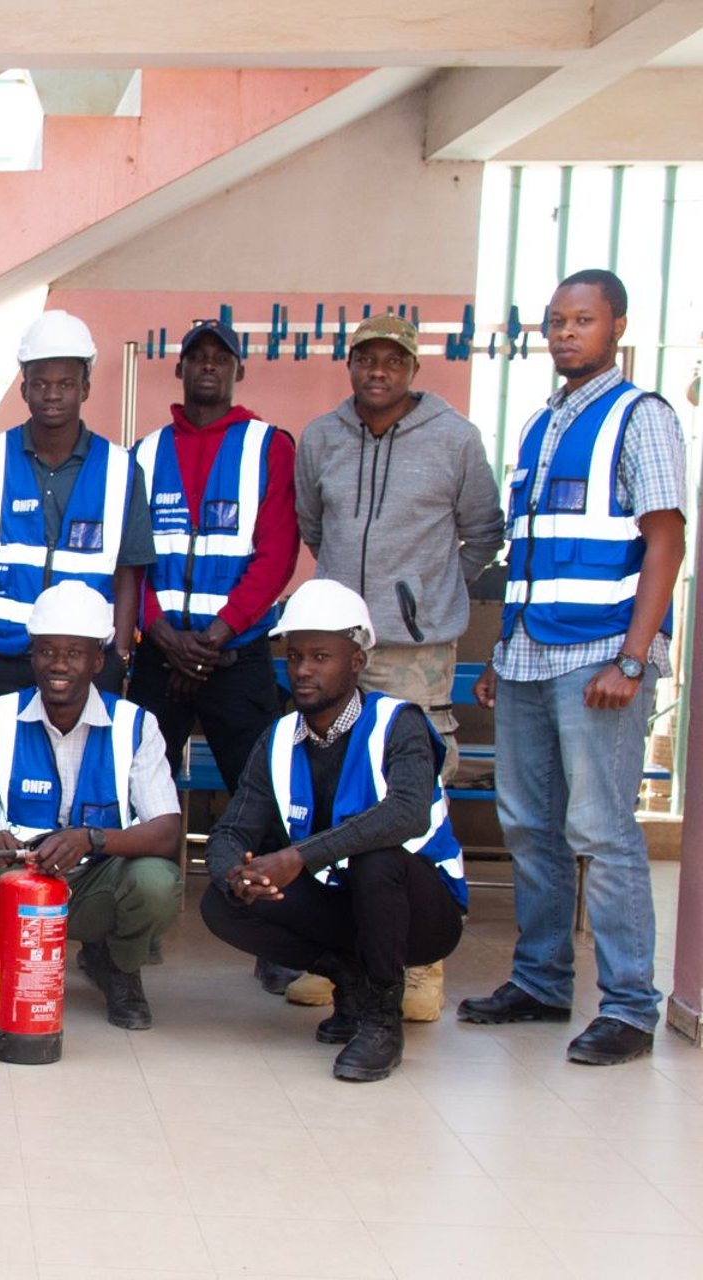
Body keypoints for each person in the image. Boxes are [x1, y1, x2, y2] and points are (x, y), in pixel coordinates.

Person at [458, 269, 687, 1067]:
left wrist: (632, 658)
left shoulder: (640, 417)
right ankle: (542, 981)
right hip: (527, 656)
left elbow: (666, 541)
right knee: (527, 826)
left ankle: (628, 1006)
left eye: (581, 321)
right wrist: (501, 653)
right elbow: (528, 556)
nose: (564, 334)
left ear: (616, 327)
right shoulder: (539, 425)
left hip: (598, 660)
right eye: (555, 321)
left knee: (601, 830)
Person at [289, 312, 503, 1019]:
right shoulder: (321, 438)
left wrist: (429, 594)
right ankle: (336, 951)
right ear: (350, 364)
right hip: (338, 644)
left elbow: (483, 533)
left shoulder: (456, 440)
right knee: (331, 789)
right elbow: (314, 527)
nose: (378, 371)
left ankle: (420, 963)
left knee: (415, 798)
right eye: (366, 358)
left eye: (394, 360)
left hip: (416, 652)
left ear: (413, 369)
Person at [200, 580, 467, 1082]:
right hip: (346, 903)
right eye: (295, 656)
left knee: (377, 859)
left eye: (321, 656)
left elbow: (405, 813)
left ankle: (383, 1021)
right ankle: (352, 983)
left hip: (421, 912)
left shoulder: (397, 722)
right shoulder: (279, 737)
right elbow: (230, 832)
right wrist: (236, 874)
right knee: (222, 902)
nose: (302, 670)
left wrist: (298, 856)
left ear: (356, 662)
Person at [0, 582, 182, 1028]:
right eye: (46, 651)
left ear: (98, 660)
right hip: (13, 879)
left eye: (74, 653)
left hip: (95, 882)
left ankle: (118, 967)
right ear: (31, 656)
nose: (58, 665)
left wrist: (93, 838)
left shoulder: (135, 725)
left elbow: (167, 831)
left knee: (157, 881)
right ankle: (5, 963)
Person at [129, 319, 299, 994]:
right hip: (160, 656)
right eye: (195, 356)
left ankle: (279, 938)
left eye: (219, 359)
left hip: (237, 657)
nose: (206, 367)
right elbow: (129, 560)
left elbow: (276, 554)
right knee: (140, 792)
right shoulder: (143, 453)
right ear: (178, 370)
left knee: (263, 795)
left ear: (237, 372)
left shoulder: (269, 447)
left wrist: (221, 632)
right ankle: (133, 928)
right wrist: (163, 633)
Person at [0, 310, 154, 706]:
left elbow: (127, 573)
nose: (52, 395)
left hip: (86, 663)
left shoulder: (121, 468)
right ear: (24, 390)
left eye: (66, 384)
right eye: (41, 384)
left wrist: (119, 656)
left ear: (85, 388)